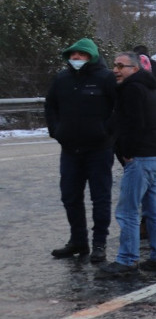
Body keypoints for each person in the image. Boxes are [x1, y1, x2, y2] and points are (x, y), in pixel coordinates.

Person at [99, 51, 156, 276]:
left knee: (127, 211)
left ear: (135, 69)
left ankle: (127, 260)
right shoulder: (155, 88)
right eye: (115, 65)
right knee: (153, 210)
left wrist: (126, 152)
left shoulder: (132, 89)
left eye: (122, 66)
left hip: (141, 158)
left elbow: (132, 124)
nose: (116, 70)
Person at [46, 38, 117, 263]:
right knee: (70, 197)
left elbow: (119, 108)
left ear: (91, 56)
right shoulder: (62, 79)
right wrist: (56, 131)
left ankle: (99, 244)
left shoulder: (105, 78)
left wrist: (107, 132)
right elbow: (51, 106)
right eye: (73, 55)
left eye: (81, 54)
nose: (76, 58)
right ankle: (78, 241)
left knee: (100, 198)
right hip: (70, 150)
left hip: (99, 150)